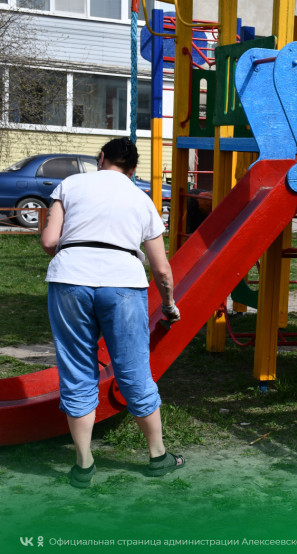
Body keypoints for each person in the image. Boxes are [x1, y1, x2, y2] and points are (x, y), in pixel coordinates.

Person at [41, 137, 184, 488]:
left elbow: (48, 241)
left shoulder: (71, 184)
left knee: (76, 369)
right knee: (133, 367)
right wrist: (168, 304)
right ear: (132, 169)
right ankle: (157, 456)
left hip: (69, 279)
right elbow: (162, 270)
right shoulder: (142, 199)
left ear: (101, 158)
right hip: (122, 281)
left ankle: (84, 465)